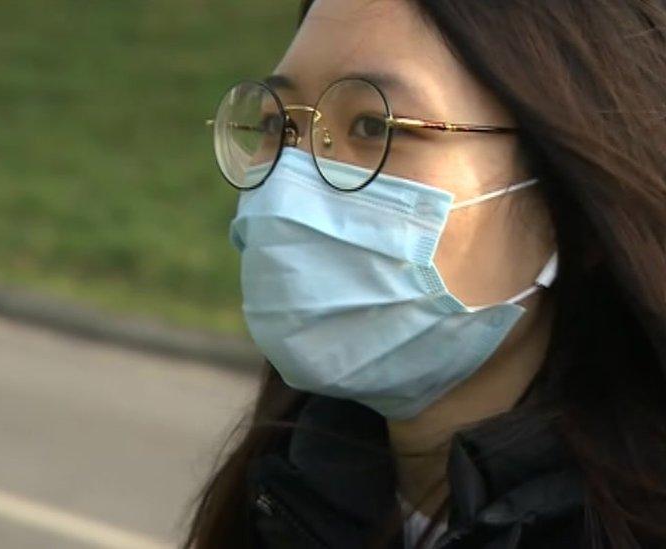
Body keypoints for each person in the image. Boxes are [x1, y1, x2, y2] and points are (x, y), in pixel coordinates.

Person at [184, 0, 666, 547]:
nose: (290, 182)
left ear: (572, 200)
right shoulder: (284, 495)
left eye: (372, 125)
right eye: (278, 124)